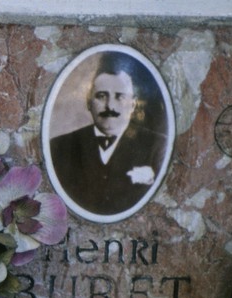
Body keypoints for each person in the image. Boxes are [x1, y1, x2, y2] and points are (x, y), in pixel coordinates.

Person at [48, 53, 166, 218]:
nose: (110, 106)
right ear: (89, 103)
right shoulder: (59, 147)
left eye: (120, 97)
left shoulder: (158, 146)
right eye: (101, 96)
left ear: (133, 104)